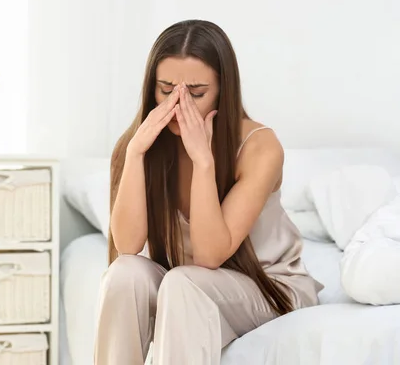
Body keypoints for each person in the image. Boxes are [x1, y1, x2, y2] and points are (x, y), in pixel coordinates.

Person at [94, 20, 324, 365]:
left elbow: (209, 255)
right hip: (188, 287)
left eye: (197, 93)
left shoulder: (259, 146)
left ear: (222, 92)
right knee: (125, 274)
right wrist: (135, 154)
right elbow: (126, 247)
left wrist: (203, 161)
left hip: (269, 287)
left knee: (185, 282)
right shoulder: (138, 147)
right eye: (165, 89)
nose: (178, 103)